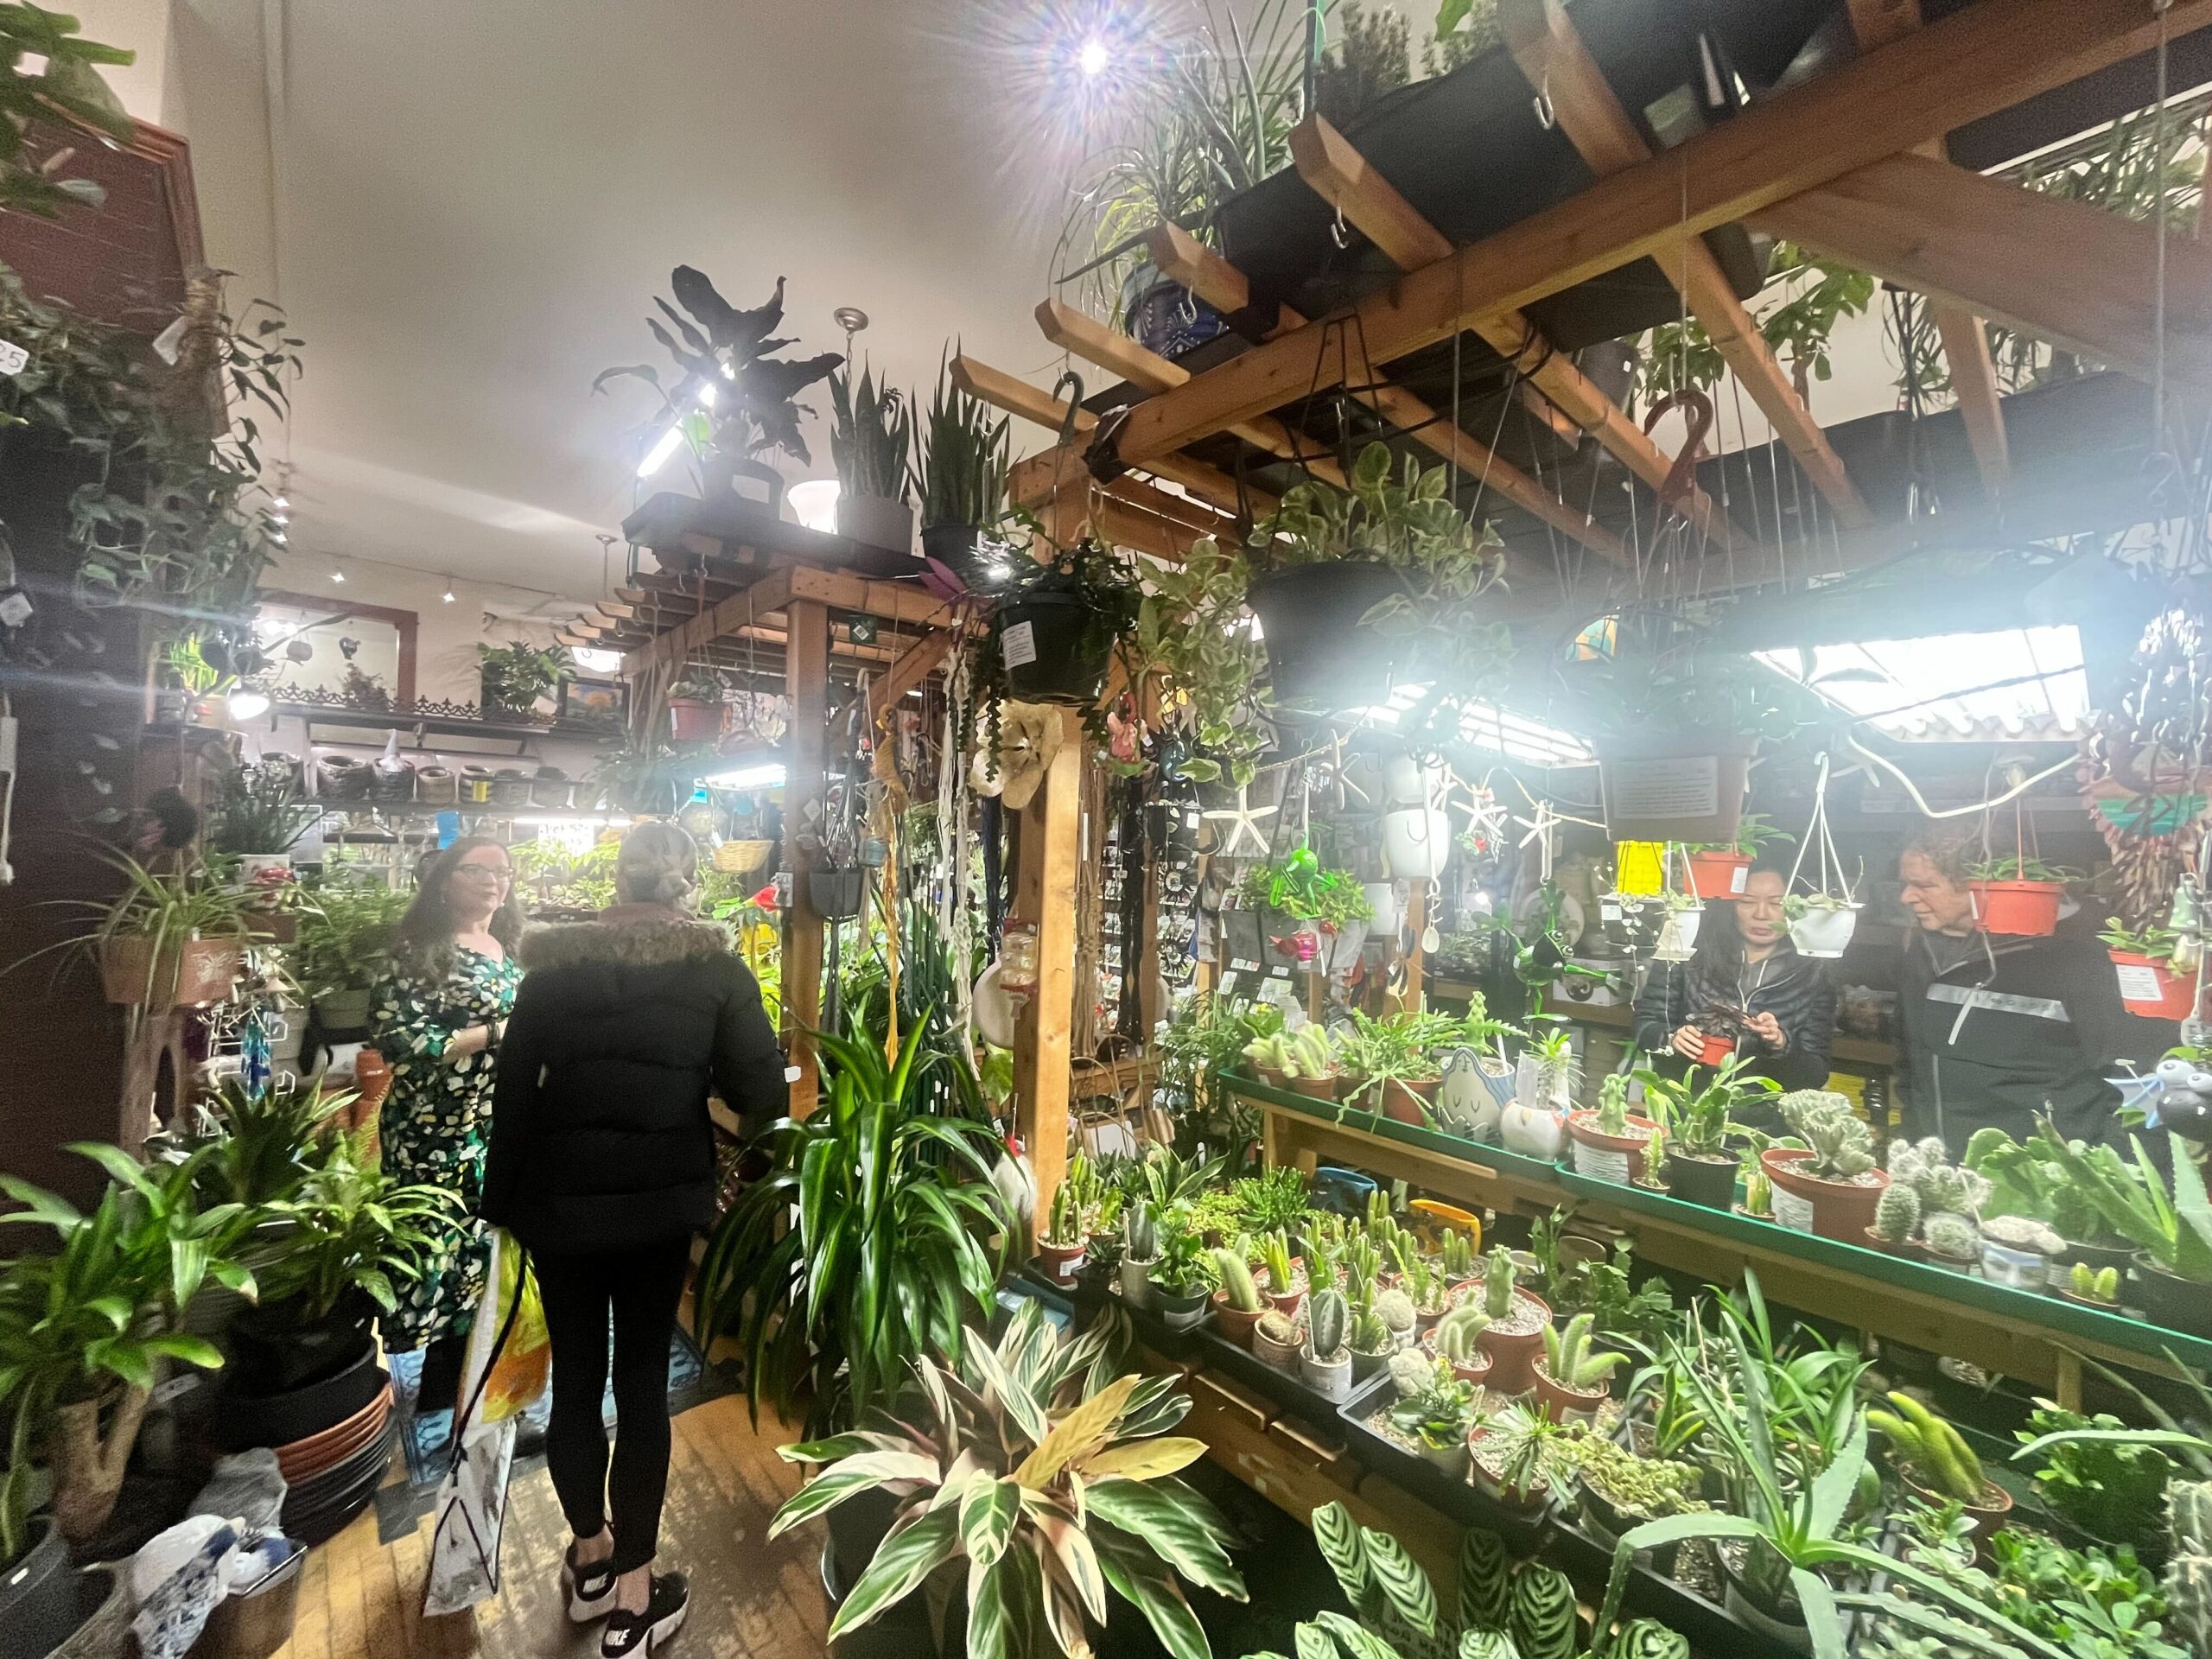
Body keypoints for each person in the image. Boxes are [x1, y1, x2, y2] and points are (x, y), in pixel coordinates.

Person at [481, 823, 786, 1657]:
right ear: (687, 881)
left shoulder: (552, 969)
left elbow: (513, 1099)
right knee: (642, 1385)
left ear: (617, 879)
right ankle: (635, 1602)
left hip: (559, 1208)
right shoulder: (716, 969)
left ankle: (588, 1561)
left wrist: (497, 1207)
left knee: (576, 1383)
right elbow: (762, 1091)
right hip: (658, 1216)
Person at [1894, 826, 2173, 1155]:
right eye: (1906, 884)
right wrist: (1912, 1141)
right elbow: (1911, 1059)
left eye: (1924, 885)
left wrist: (2120, 1175)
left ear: (1983, 886)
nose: (1906, 897)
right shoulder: (1922, 953)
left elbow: (2147, 1075)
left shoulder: (2085, 957)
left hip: (2044, 1181)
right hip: (1944, 1171)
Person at [370, 836, 525, 1412]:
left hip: (490, 1122)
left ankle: (458, 1384)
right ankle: (442, 1383)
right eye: (477, 869)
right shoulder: (417, 950)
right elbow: (404, 1042)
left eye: (503, 870)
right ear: (444, 881)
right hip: (431, 1127)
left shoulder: (503, 945)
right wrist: (499, 1033)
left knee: (479, 1254)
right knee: (433, 1248)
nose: (493, 881)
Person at [1632, 855, 1840, 1130]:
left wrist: (1780, 1045)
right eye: (1747, 901)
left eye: (1776, 902)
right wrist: (1671, 1041)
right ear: (1730, 904)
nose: (1761, 914)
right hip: (1686, 1118)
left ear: (1796, 907)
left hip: (1763, 1131)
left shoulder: (1812, 972)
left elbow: (1814, 1074)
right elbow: (1645, 1026)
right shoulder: (1687, 949)